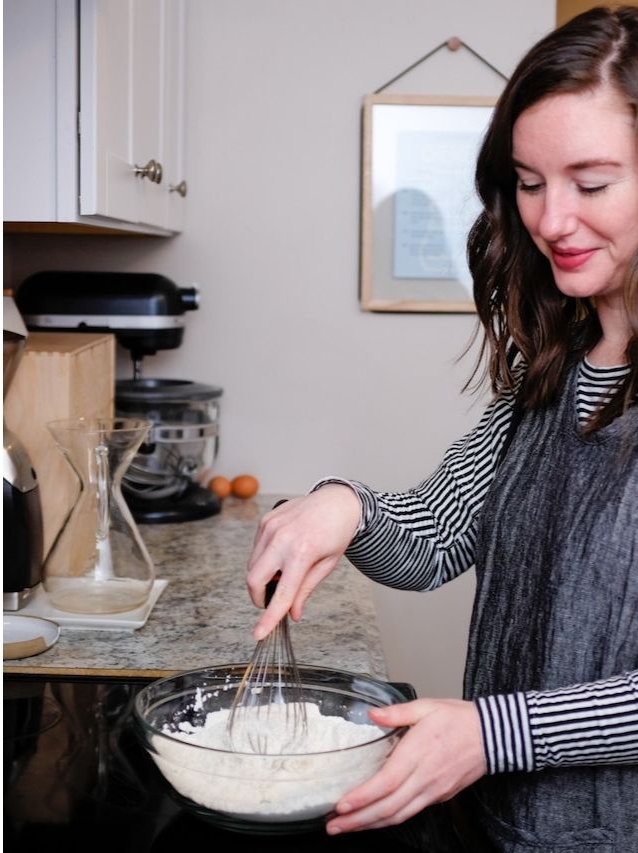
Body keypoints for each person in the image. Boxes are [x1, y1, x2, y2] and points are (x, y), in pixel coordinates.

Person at [245, 7, 638, 849]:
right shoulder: (554, 366)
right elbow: (431, 537)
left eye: (591, 183)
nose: (552, 221)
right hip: (498, 825)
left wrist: (493, 733)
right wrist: (343, 505)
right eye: (529, 183)